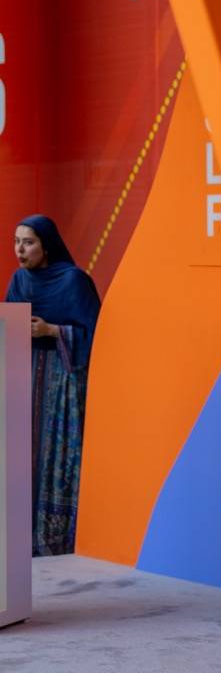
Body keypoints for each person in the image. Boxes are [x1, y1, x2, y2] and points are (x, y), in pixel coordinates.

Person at [6, 215, 101, 556]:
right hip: (27, 376)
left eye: (28, 242)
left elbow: (97, 333)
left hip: (63, 381)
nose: (20, 249)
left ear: (46, 246)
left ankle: (56, 536)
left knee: (57, 454)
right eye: (17, 241)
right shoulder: (20, 280)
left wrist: (52, 330)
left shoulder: (73, 281)